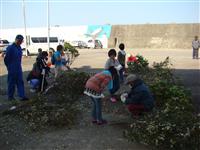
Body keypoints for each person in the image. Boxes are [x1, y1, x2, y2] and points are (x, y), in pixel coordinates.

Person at [4, 35, 29, 101]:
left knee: (20, 82)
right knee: (11, 83)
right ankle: (10, 97)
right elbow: (6, 59)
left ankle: (22, 96)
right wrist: (9, 67)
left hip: (18, 68)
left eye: (22, 41)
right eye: (20, 41)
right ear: (16, 40)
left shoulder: (19, 47)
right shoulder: (10, 48)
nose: (21, 42)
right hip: (12, 68)